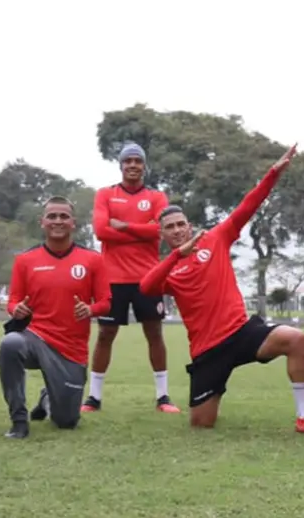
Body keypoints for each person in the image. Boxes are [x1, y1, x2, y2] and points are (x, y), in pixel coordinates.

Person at [139, 144, 304, 438]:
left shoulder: (216, 238)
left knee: (295, 338)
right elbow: (146, 287)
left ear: (190, 226)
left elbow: (248, 205)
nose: (178, 229)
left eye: (181, 224)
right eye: (170, 227)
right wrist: (177, 255)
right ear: (162, 233)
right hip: (208, 351)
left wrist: (273, 174)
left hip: (241, 333)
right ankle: (214, 388)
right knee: (201, 423)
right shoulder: (168, 267)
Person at [0, 196, 112, 439]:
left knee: (66, 421)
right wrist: (16, 309)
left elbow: (106, 303)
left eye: (63, 216)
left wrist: (90, 310)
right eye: (52, 216)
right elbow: (13, 301)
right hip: (35, 337)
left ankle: (48, 399)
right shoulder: (25, 260)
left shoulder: (92, 259)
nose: (57, 221)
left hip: (71, 349)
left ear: (74, 223)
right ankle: (18, 420)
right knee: (10, 343)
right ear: (42, 222)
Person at [83, 142, 179, 414]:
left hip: (148, 277)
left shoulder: (158, 198)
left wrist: (123, 226)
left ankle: (163, 397)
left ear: (144, 165)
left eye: (138, 161)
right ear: (121, 165)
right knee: (105, 334)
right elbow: (101, 231)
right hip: (112, 278)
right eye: (128, 161)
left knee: (154, 333)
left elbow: (159, 230)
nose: (133, 165)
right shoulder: (105, 194)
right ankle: (93, 398)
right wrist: (142, 229)